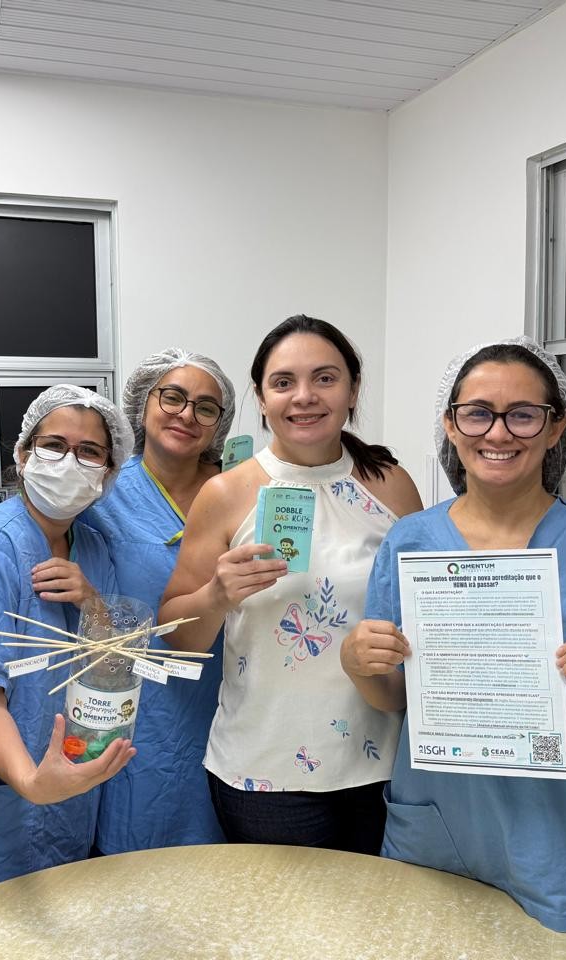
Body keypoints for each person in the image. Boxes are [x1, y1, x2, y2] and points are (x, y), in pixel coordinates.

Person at [342, 337, 566, 942]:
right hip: (441, 833)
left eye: (523, 414)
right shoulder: (411, 542)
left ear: (556, 427)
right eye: (477, 413)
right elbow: (396, 698)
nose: (498, 433)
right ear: (451, 425)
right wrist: (358, 662)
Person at [160, 314, 423, 854]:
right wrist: (216, 595)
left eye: (325, 378)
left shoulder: (390, 485)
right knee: (288, 913)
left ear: (353, 390)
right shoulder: (226, 493)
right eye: (284, 382)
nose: (304, 396)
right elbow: (176, 636)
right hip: (265, 769)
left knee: (379, 908)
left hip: (382, 760)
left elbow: (423, 613)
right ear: (261, 398)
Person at [0, 384, 137, 889]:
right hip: (5, 795)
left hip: (70, 787)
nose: (70, 461)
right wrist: (29, 781)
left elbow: (111, 665)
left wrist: (92, 603)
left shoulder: (93, 546)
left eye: (89, 451)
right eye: (53, 446)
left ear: (108, 471)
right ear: (23, 455)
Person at [80, 348, 235, 854]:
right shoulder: (101, 494)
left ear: (219, 424)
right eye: (172, 397)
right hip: (142, 705)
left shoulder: (243, 493)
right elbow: (38, 531)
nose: (186, 415)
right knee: (140, 846)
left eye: (205, 407)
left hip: (234, 696)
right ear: (142, 404)